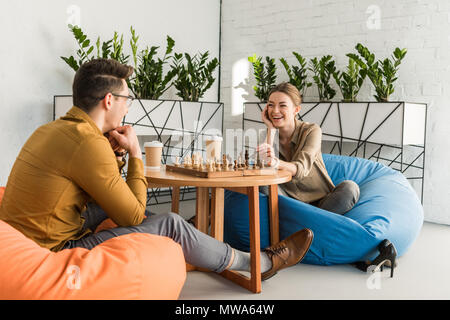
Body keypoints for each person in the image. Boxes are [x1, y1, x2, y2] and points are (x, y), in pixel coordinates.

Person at [0, 59, 313, 281]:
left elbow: (103, 187)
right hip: (55, 247)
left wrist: (116, 157)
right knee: (171, 224)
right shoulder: (87, 143)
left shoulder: (54, 129)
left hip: (28, 234)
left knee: (126, 212)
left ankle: (202, 243)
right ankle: (258, 262)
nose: (129, 105)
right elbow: (133, 216)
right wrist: (135, 153)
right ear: (109, 100)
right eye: (126, 98)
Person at [257, 82, 360, 215]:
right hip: (290, 201)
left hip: (322, 201)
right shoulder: (267, 135)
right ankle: (314, 225)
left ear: (296, 110)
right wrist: (271, 129)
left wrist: (276, 162)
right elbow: (264, 170)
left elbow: (301, 168)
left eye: (282, 105)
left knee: (350, 187)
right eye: (271, 105)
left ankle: (304, 226)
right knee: (264, 184)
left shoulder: (311, 130)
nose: (275, 111)